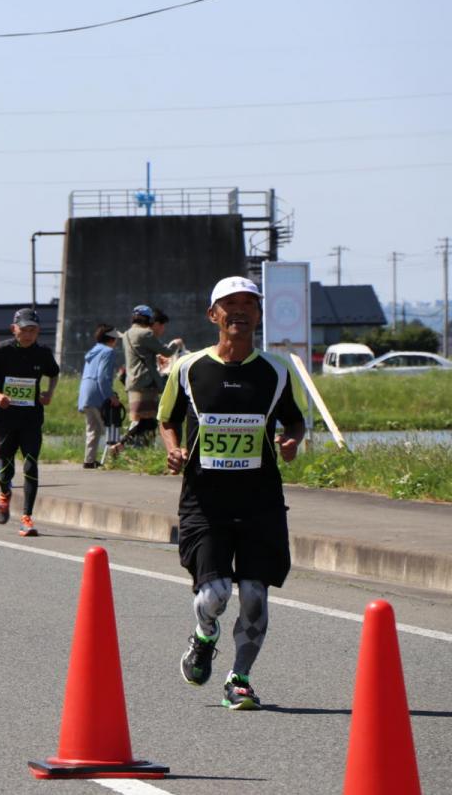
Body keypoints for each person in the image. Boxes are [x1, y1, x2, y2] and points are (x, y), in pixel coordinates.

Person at [162, 276, 306, 711]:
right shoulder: (189, 368)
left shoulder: (276, 370)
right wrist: (173, 450)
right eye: (230, 304)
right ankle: (205, 636)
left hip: (260, 498)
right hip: (205, 500)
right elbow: (167, 419)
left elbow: (295, 420)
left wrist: (292, 441)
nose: (240, 311)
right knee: (215, 595)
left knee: (256, 597)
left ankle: (239, 679)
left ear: (258, 314)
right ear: (214, 315)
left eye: (249, 304)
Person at [0, 307, 60, 538]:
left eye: (33, 330)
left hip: (31, 417)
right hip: (5, 418)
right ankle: (4, 495)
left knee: (31, 464)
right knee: (7, 468)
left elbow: (54, 373)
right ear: (14, 329)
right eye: (24, 330)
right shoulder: (0, 351)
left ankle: (27, 518)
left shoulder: (43, 353)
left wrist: (49, 393)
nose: (29, 335)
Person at [110, 304, 183, 454]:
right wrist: (176, 344)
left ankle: (133, 449)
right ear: (148, 319)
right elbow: (167, 352)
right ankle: (121, 444)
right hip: (146, 383)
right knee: (148, 421)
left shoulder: (128, 334)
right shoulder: (146, 334)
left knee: (142, 420)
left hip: (133, 382)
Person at [77, 324, 122, 469]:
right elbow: (102, 377)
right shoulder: (108, 352)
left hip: (86, 394)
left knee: (93, 429)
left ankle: (89, 461)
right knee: (110, 426)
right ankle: (113, 461)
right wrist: (111, 396)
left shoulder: (93, 352)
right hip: (98, 394)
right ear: (112, 339)